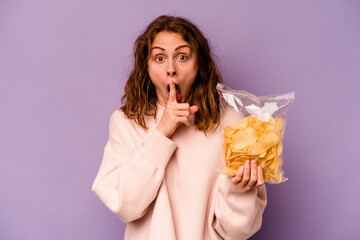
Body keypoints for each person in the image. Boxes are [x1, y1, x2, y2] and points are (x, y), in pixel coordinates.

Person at [91, 15, 267, 240]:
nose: (171, 69)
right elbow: (125, 206)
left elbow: (237, 231)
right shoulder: (125, 121)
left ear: (199, 65)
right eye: (159, 58)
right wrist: (162, 133)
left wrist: (240, 189)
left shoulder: (233, 123)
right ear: (146, 67)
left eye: (182, 57)